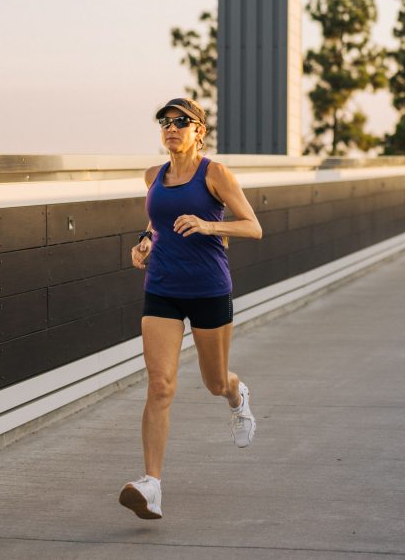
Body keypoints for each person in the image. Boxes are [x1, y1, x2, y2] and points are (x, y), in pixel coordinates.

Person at [118, 97, 263, 520]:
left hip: (208, 290)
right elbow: (156, 222)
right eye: (165, 122)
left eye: (182, 122)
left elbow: (253, 226)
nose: (171, 128)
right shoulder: (154, 176)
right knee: (160, 384)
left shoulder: (214, 173)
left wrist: (208, 225)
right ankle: (152, 485)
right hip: (162, 288)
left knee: (214, 381)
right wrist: (144, 241)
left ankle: (237, 396)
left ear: (199, 130)